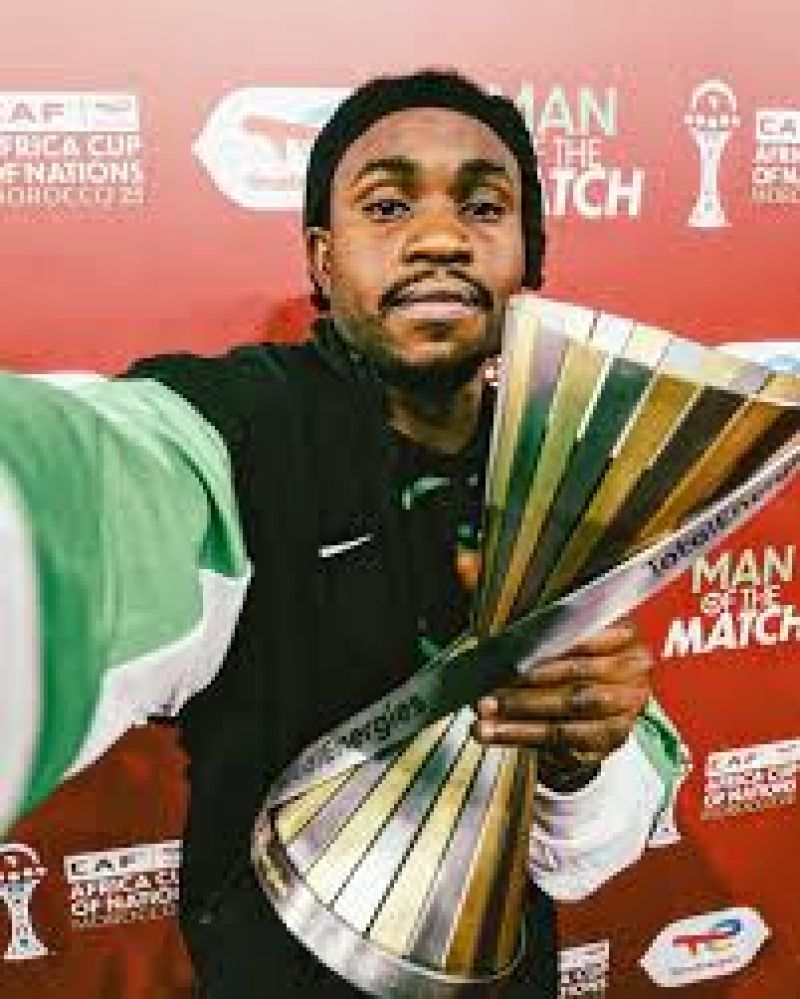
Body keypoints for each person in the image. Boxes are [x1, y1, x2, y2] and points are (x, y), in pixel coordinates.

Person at [0, 70, 680, 996]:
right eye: (389, 205)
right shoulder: (243, 431)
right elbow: (89, 489)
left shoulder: (561, 470)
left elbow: (587, 858)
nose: (440, 238)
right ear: (322, 260)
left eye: (484, 207)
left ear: (529, 259)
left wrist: (583, 757)